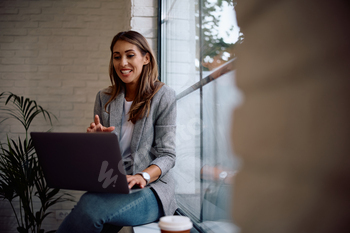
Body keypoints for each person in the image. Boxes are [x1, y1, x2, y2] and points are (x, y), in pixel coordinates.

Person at [56, 30, 177, 233]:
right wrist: (95, 143)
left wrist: (143, 176)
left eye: (130, 55)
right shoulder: (104, 98)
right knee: (91, 211)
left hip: (151, 189)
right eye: (117, 56)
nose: (123, 63)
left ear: (146, 58)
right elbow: (101, 160)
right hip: (114, 183)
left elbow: (168, 155)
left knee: (90, 207)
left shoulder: (163, 96)